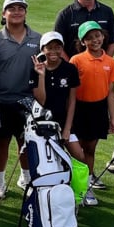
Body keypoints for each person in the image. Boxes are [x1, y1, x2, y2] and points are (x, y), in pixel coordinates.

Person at [0, 0, 41, 201]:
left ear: (26, 13)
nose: (17, 12)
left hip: (27, 100)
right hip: (2, 99)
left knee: (25, 142)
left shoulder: (37, 39)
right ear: (4, 14)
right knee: (2, 142)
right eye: (12, 8)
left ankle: (26, 178)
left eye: (21, 8)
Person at [69, 21, 114, 206]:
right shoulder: (76, 60)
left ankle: (87, 187)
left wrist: (112, 117)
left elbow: (111, 92)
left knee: (90, 149)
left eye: (97, 36)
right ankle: (76, 186)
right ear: (83, 42)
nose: (95, 40)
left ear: (103, 37)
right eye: (89, 38)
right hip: (80, 109)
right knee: (77, 151)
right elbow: (72, 91)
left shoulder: (110, 62)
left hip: (98, 110)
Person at [30, 31, 84, 162]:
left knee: (80, 156)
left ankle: (80, 183)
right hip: (42, 122)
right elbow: (41, 101)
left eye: (58, 47)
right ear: (43, 49)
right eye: (49, 48)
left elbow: (71, 101)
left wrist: (67, 129)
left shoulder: (70, 69)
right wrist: (41, 75)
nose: (53, 51)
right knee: (47, 159)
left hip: (64, 121)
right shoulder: (36, 69)